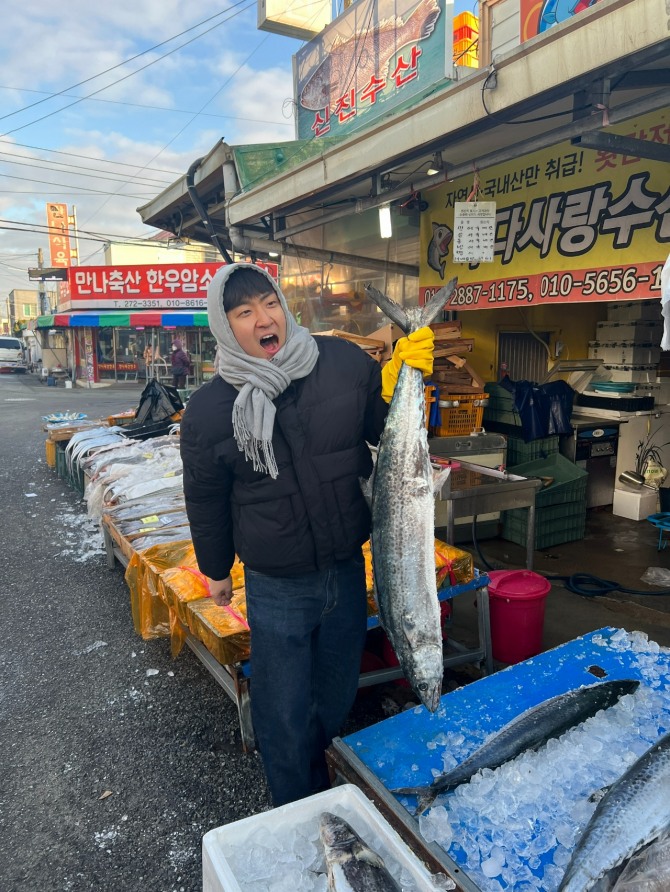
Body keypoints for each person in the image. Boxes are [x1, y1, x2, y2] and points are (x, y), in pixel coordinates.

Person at [180, 262, 434, 807]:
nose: (263, 319)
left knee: (338, 690)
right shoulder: (207, 410)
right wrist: (217, 568)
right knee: (283, 706)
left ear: (284, 307)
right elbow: (204, 497)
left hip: (346, 564)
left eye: (269, 304)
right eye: (244, 312)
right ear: (225, 327)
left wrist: (400, 381)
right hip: (276, 583)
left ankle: (323, 776)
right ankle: (297, 808)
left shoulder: (340, 362)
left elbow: (383, 431)